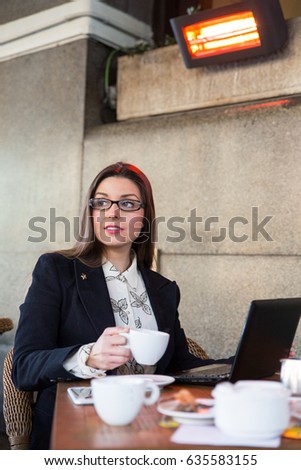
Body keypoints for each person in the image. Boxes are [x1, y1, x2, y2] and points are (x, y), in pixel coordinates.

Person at [12, 162, 223, 449]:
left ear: (145, 216)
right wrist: (88, 356)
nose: (112, 212)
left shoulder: (163, 289)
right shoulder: (57, 270)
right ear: (92, 212)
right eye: (102, 202)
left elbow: (182, 365)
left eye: (127, 203)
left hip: (154, 427)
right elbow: (24, 366)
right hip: (78, 430)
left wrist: (251, 361)